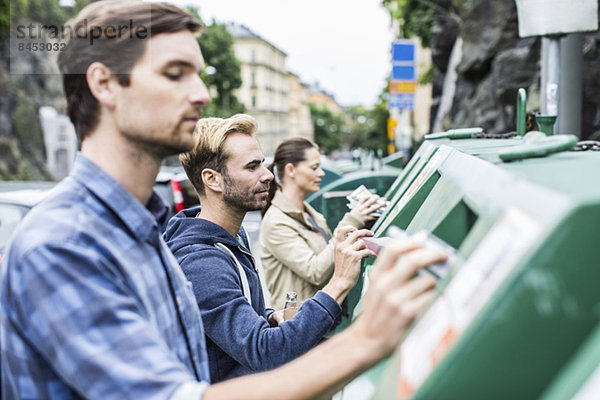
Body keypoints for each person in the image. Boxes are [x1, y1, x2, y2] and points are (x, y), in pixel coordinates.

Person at [0, 1, 445, 399]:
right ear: (104, 84)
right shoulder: (65, 244)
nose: (201, 93)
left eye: (197, 74)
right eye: (175, 74)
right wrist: (365, 338)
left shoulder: (143, 231)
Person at [164, 114, 375, 382]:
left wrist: (269, 316)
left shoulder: (230, 235)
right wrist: (341, 281)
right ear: (212, 179)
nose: (267, 175)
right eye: (252, 167)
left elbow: (232, 321)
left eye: (263, 164)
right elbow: (265, 352)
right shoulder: (201, 262)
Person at [260, 137, 386, 309]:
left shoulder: (311, 213)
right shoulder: (276, 222)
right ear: (291, 170)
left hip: (322, 318)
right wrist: (352, 221)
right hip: (297, 325)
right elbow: (316, 271)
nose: (321, 173)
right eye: (314, 167)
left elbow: (332, 258)